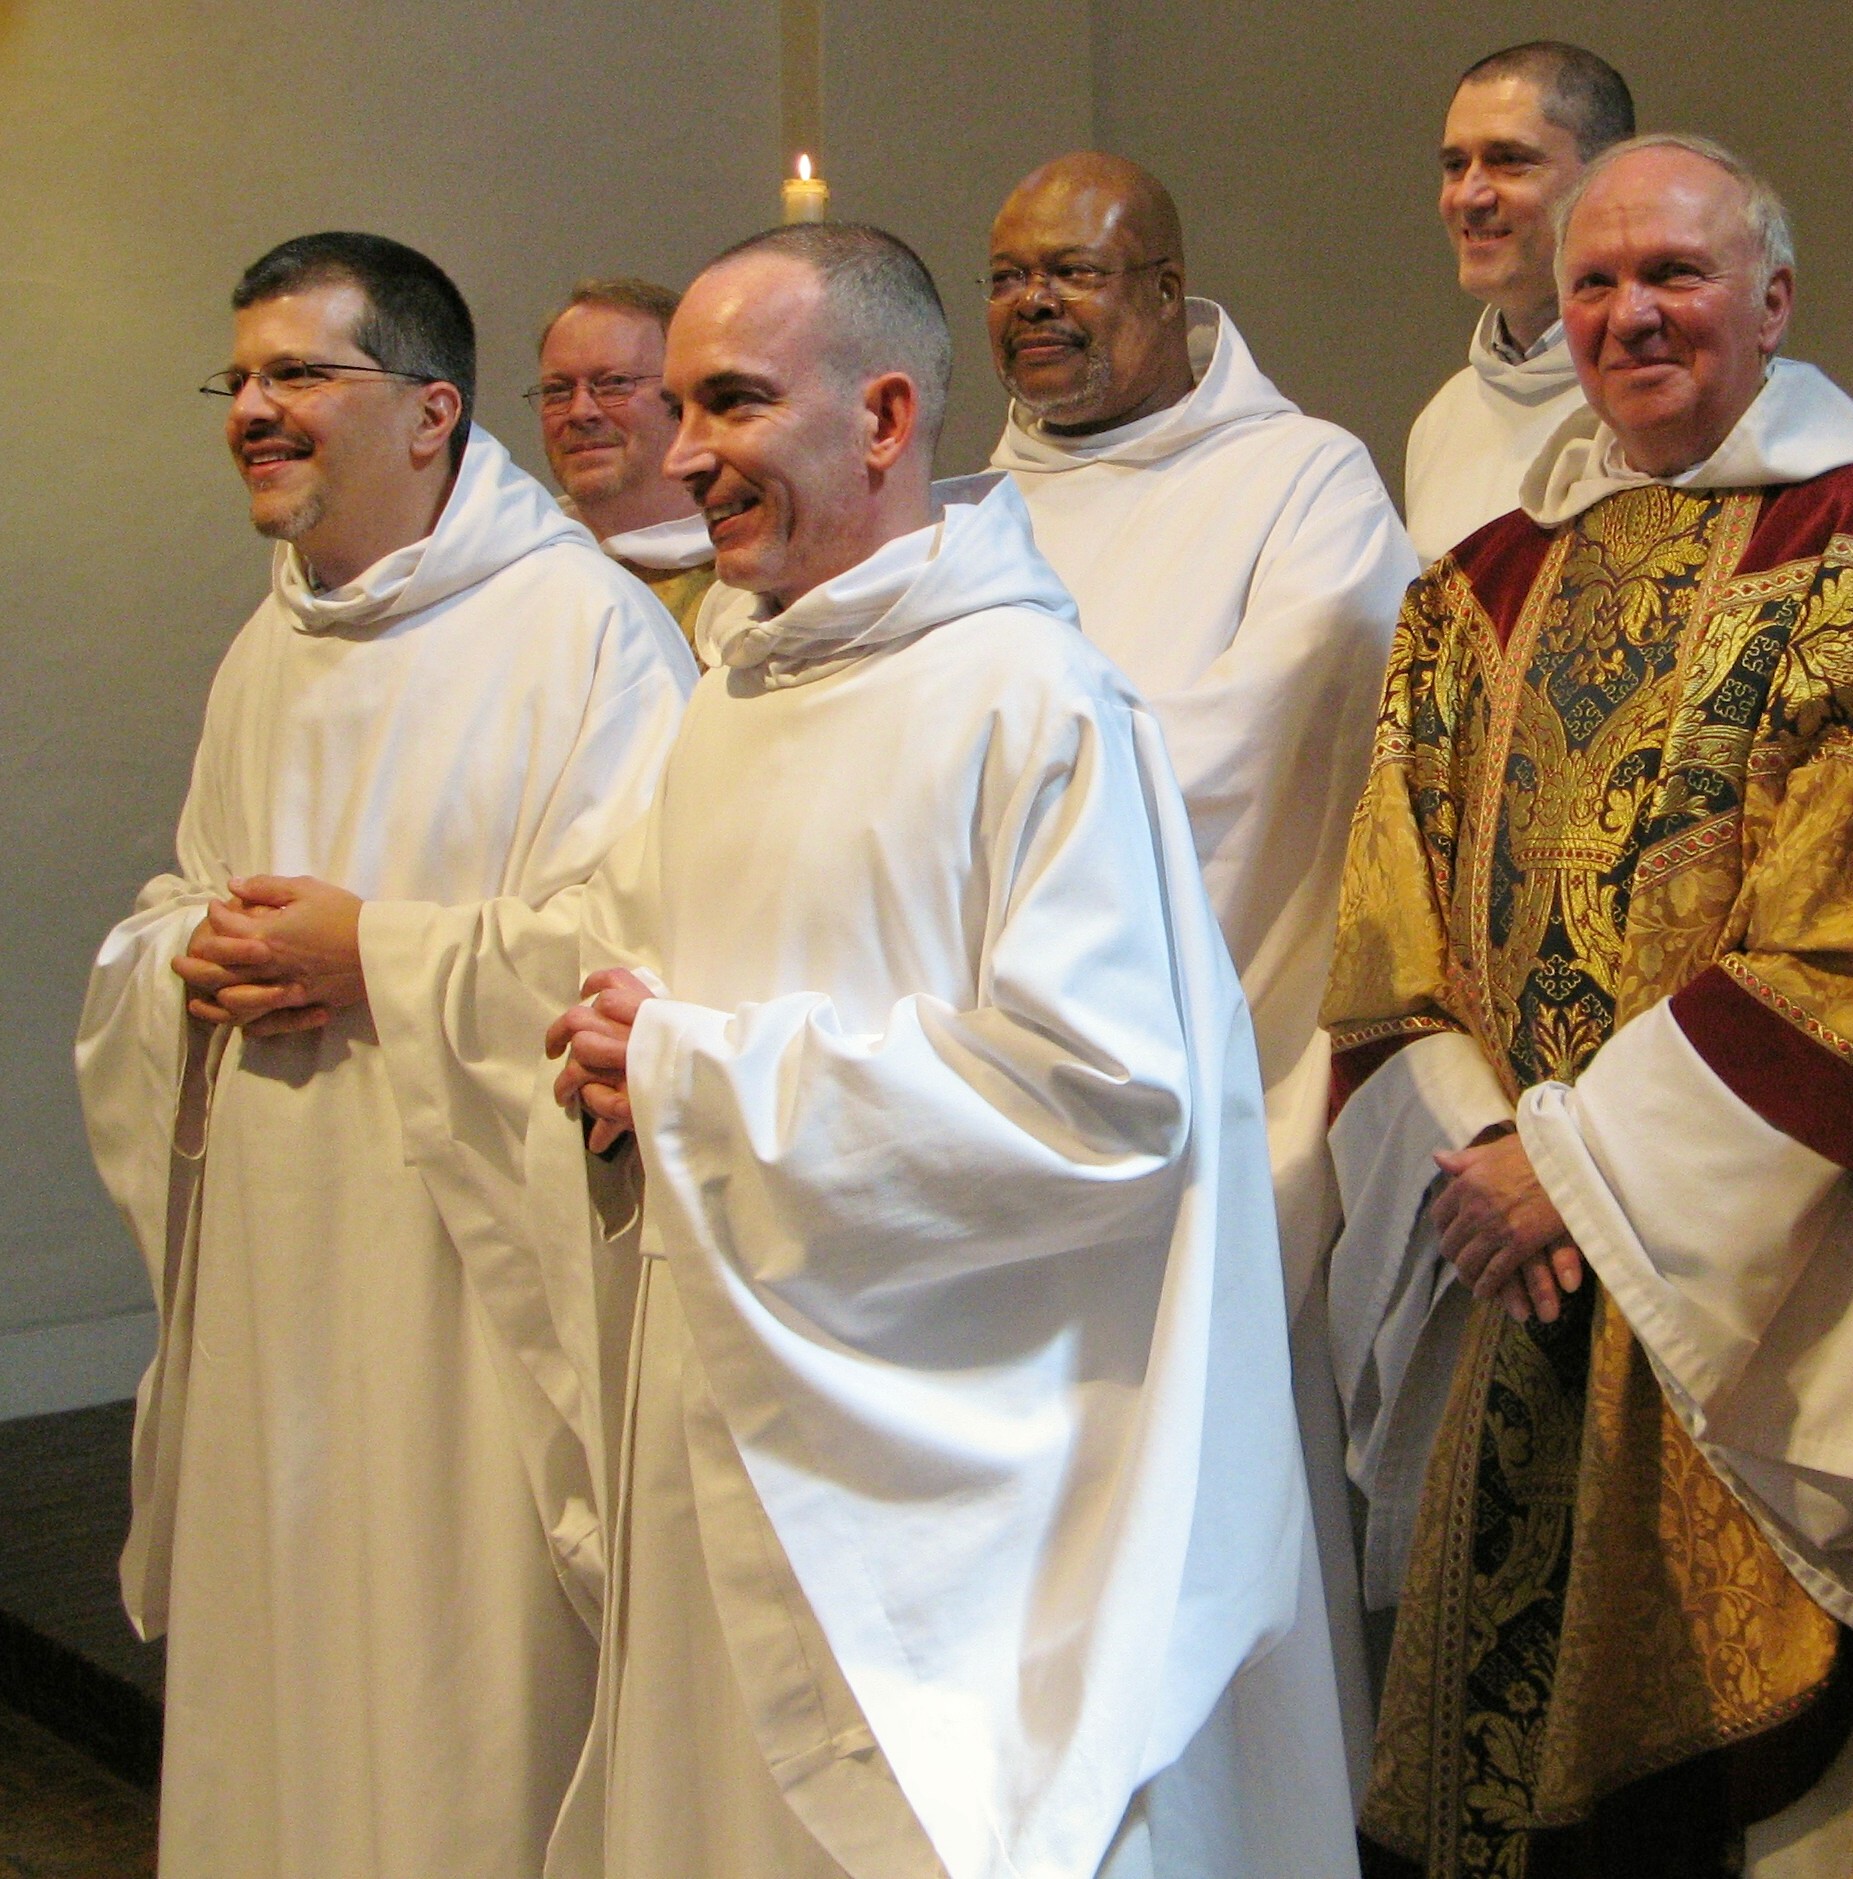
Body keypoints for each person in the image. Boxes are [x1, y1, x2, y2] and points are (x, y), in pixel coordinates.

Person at [188, 222, 1359, 1878]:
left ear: (883, 419)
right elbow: (623, 961)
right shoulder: (736, 697)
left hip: (947, 1489)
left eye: (726, 404)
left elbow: (1108, 1102)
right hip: (731, 1403)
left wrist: (690, 1073)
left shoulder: (1029, 700)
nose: (677, 457)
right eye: (676, 408)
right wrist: (580, 1037)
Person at [74, 231, 695, 1879]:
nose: (254, 409)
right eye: (241, 377)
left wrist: (377, 955)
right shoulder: (266, 649)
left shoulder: (588, 633)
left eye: (298, 374)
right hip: (283, 1279)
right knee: (287, 1680)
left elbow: (638, 955)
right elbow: (181, 893)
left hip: (460, 1302)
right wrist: (179, 962)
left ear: (429, 412)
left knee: (452, 1700)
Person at [1323, 135, 1853, 1876]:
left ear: (1769, 301)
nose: (1629, 314)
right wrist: (1485, 1152)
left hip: (1758, 1270)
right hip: (1513, 1268)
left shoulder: (1839, 548)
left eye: (1673, 276)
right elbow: (1383, 929)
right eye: (1594, 282)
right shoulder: (1474, 584)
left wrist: (1583, 1165)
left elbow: (1830, 940)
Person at [985, 148, 1415, 1791]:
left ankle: (1259, 1806)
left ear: (1166, 293)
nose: (1035, 304)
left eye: (1074, 273)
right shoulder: (977, 510)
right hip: (1016, 1069)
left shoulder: (1301, 477)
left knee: (1218, 1488)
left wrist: (1011, 784)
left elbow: (1286, 735)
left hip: (1231, 1041)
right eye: (1009, 275)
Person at [1403, 42, 1633, 566]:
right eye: (1455, 165)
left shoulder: (1666, 400)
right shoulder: (1441, 422)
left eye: (1509, 162)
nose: (1468, 196)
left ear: (1607, 178)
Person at [536, 276, 716, 644]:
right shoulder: (518, 561)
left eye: (614, 383)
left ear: (686, 398)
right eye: (557, 391)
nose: (580, 411)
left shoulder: (753, 577)